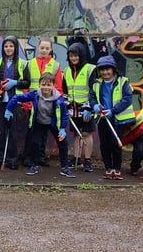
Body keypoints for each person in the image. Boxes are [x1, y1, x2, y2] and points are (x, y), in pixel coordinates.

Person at [5, 72, 75, 178]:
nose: (45, 87)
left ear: (53, 85)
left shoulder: (59, 100)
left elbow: (64, 115)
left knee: (63, 144)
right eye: (43, 84)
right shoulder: (35, 95)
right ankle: (34, 165)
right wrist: (8, 109)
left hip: (53, 123)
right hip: (39, 122)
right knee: (35, 144)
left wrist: (62, 129)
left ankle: (65, 168)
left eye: (48, 85)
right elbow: (16, 98)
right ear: (39, 85)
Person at [89, 55, 135, 180]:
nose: (105, 72)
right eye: (102, 70)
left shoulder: (123, 81)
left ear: (113, 69)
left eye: (107, 69)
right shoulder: (96, 84)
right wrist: (95, 106)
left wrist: (113, 111)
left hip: (118, 119)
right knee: (104, 145)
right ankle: (108, 168)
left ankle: (117, 169)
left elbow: (127, 99)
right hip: (103, 119)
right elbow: (92, 98)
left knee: (116, 144)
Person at [0, 35, 30, 170]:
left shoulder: (23, 64)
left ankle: (12, 159)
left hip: (15, 103)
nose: (8, 48)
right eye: (6, 46)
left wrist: (15, 83)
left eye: (11, 46)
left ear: (16, 48)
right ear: (3, 48)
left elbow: (27, 82)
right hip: (1, 102)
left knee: (13, 132)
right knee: (0, 131)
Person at [22, 37, 63, 166]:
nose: (44, 50)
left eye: (47, 48)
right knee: (31, 131)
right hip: (32, 103)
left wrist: (55, 102)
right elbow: (25, 85)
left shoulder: (56, 65)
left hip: (48, 104)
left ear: (51, 49)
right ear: (38, 48)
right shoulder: (29, 63)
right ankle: (28, 157)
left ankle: (40, 157)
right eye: (42, 48)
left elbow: (58, 87)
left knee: (44, 132)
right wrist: (26, 102)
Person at [62, 42, 96, 172]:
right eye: (71, 56)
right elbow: (65, 91)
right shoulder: (66, 71)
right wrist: (66, 105)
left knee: (86, 133)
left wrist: (89, 108)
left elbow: (94, 90)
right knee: (76, 134)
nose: (73, 58)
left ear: (81, 55)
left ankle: (87, 160)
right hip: (73, 108)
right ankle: (76, 158)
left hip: (86, 108)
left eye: (76, 55)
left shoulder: (90, 69)